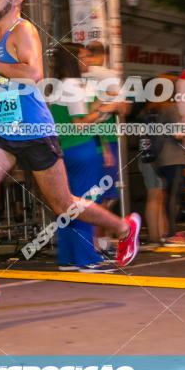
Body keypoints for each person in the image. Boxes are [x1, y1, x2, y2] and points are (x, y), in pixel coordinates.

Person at [0, 0, 141, 302]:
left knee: (63, 204)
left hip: (35, 130)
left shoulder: (23, 30)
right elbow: (8, 87)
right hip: (5, 130)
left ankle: (124, 228)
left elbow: (34, 74)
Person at [50, 42, 119, 273]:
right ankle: (87, 259)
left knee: (68, 204)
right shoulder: (73, 86)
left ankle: (68, 258)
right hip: (82, 149)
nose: (87, 60)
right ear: (72, 60)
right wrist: (105, 108)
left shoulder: (60, 86)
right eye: (83, 56)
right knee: (84, 205)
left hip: (67, 150)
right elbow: (79, 124)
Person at [79, 40, 127, 255]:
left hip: (88, 139)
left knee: (94, 194)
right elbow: (123, 107)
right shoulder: (106, 75)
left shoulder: (80, 77)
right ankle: (98, 242)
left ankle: (98, 241)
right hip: (103, 139)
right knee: (104, 195)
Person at [153, 77, 185, 248]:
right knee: (175, 195)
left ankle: (169, 232)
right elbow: (179, 133)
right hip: (174, 157)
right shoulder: (170, 108)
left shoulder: (157, 108)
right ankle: (171, 234)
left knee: (169, 194)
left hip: (162, 158)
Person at [136, 99, 168, 248]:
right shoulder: (150, 115)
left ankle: (159, 235)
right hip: (150, 159)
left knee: (157, 196)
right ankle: (155, 236)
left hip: (149, 158)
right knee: (154, 196)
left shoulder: (147, 114)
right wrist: (150, 156)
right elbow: (149, 140)